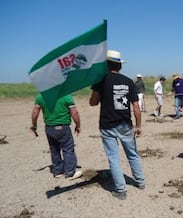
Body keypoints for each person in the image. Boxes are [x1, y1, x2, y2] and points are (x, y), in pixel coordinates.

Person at [89, 50, 145, 200]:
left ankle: (121, 190)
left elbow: (93, 103)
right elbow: (136, 106)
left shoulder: (101, 81)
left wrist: (97, 89)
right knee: (133, 154)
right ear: (119, 65)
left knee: (113, 158)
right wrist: (138, 126)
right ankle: (140, 182)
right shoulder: (128, 82)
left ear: (105, 65)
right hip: (126, 125)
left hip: (107, 126)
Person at [31, 94, 83, 180]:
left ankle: (58, 171)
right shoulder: (66, 95)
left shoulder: (41, 96)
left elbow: (35, 112)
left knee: (54, 149)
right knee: (68, 149)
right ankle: (70, 172)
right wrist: (78, 125)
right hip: (63, 127)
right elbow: (74, 112)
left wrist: (34, 125)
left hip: (49, 128)